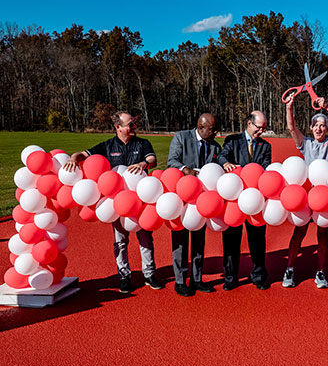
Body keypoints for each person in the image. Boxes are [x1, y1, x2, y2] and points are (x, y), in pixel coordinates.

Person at [63, 111, 164, 294]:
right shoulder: (107, 146)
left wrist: (143, 164)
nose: (134, 127)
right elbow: (83, 154)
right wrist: (72, 158)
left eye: (134, 124)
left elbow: (152, 159)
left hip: (141, 202)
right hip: (117, 203)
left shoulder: (142, 143)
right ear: (118, 127)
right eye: (130, 124)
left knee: (146, 239)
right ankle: (124, 276)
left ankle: (149, 274)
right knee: (120, 241)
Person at [283, 95, 328, 289]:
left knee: (323, 236)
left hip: (325, 198)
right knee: (298, 233)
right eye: (315, 125)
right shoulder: (306, 143)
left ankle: (321, 272)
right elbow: (291, 128)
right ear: (311, 128)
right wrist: (289, 107)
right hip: (306, 197)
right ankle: (290, 269)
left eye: (322, 125)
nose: (319, 128)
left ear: (326, 128)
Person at [167, 113, 221, 297]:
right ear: (201, 128)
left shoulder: (215, 145)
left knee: (199, 240)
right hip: (182, 199)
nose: (216, 132)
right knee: (180, 241)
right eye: (213, 129)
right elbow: (172, 161)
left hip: (202, 201)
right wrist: (186, 170)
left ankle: (197, 279)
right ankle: (180, 281)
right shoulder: (181, 137)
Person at [217, 111, 272, 290]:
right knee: (231, 240)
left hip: (256, 200)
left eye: (264, 128)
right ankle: (230, 278)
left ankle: (259, 276)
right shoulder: (232, 140)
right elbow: (222, 156)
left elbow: (265, 168)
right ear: (249, 124)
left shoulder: (266, 146)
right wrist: (225, 163)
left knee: (257, 240)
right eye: (259, 128)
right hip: (234, 201)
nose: (261, 132)